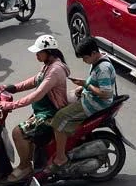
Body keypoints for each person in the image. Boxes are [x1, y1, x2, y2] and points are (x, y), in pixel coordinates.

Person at [0, 35, 71, 183]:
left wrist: (12, 105)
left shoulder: (55, 70)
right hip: (42, 111)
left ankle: (25, 167)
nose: (36, 55)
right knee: (25, 132)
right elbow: (35, 80)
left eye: (39, 52)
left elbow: (38, 94)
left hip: (50, 114)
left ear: (49, 52)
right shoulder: (48, 65)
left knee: (18, 132)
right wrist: (13, 88)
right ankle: (31, 162)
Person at [48, 36, 116, 173]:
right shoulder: (98, 60)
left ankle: (60, 158)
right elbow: (96, 82)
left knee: (59, 118)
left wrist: (86, 85)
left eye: (85, 58)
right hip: (88, 96)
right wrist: (83, 86)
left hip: (94, 103)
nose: (84, 61)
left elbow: (106, 93)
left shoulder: (103, 68)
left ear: (93, 53)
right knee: (61, 103)